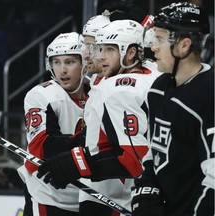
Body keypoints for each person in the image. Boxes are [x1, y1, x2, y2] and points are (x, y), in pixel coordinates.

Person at [37, 20, 161, 215]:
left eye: (110, 50)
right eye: (99, 49)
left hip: (113, 195)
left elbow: (135, 159)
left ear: (130, 53)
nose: (100, 57)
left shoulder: (117, 89)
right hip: (141, 189)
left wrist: (76, 162)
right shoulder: (153, 73)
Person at [130, 2, 214, 216]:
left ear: (184, 45)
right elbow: (155, 149)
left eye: (159, 39)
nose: (153, 47)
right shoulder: (159, 88)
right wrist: (146, 191)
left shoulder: (209, 94)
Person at [17, 32, 89, 216]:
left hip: (86, 196)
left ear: (84, 63)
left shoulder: (99, 93)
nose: (62, 70)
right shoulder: (42, 95)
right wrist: (84, 140)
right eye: (56, 62)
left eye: (70, 62)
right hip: (48, 195)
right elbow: (41, 146)